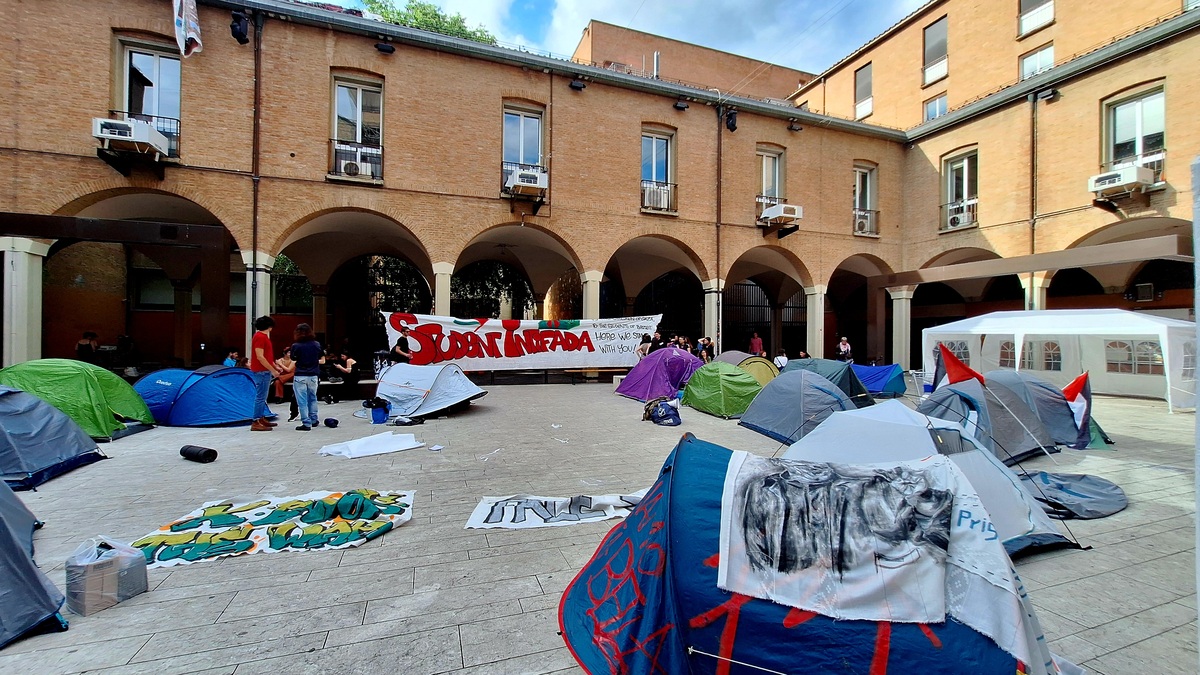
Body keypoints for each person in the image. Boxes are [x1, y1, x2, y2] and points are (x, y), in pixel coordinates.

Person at [289, 323, 324, 431]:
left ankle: (306, 422)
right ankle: (314, 419)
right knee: (312, 398)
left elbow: (293, 358)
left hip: (300, 375)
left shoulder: (296, 345)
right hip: (313, 374)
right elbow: (321, 356)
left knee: (302, 400)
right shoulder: (316, 344)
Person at [249, 316, 280, 432]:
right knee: (260, 396)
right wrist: (273, 370)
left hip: (263, 370)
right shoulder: (261, 337)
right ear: (270, 326)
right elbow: (260, 357)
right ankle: (256, 420)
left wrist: (274, 367)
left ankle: (260, 418)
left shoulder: (260, 337)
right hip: (261, 371)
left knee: (262, 396)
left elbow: (266, 356)